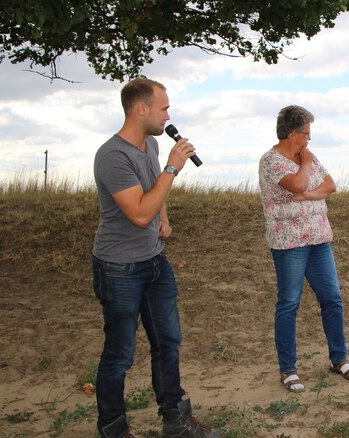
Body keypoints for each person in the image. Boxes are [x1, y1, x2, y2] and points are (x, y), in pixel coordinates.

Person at [92, 77, 219, 438]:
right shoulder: (113, 156)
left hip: (154, 262)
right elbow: (137, 214)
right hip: (119, 268)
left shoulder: (148, 144)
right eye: (164, 107)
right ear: (141, 109)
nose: (169, 114)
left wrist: (163, 217)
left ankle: (176, 422)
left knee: (168, 341)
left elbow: (151, 199)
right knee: (120, 355)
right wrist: (172, 167)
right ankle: (113, 430)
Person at [258, 104, 349, 393]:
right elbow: (298, 183)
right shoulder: (271, 160)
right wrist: (304, 169)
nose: (309, 140)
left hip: (319, 240)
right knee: (289, 303)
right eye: (306, 133)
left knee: (332, 298)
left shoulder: (309, 155)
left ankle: (338, 358)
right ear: (293, 133)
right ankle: (288, 369)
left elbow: (330, 185)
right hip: (290, 243)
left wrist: (307, 196)